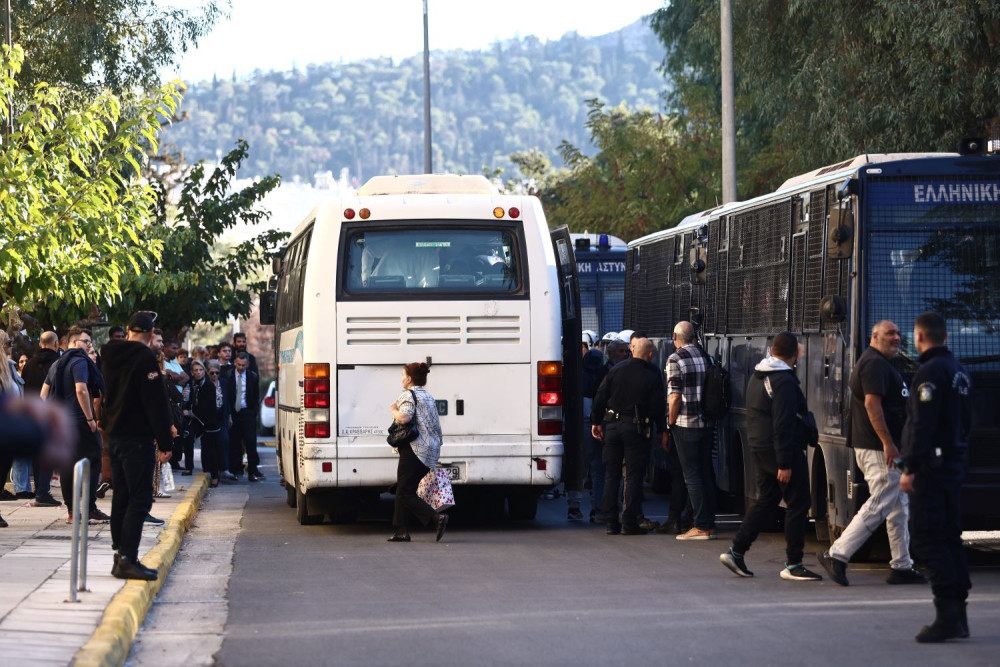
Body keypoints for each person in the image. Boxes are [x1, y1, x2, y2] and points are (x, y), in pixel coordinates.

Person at [818, 320, 926, 586]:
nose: (897, 338)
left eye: (899, 333)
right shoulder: (874, 364)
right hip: (879, 448)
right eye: (890, 333)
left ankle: (902, 565)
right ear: (874, 337)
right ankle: (837, 554)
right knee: (879, 503)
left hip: (885, 447)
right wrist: (888, 443)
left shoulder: (881, 363)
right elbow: (872, 406)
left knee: (898, 508)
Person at [720, 331, 822, 581]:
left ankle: (737, 551)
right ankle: (794, 563)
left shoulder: (759, 375)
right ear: (793, 353)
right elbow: (783, 423)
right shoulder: (784, 381)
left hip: (760, 447)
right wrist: (784, 462)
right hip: (780, 451)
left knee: (767, 500)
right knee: (799, 504)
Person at [899, 312, 972, 643]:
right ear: (946, 335)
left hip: (930, 470)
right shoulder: (959, 371)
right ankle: (959, 614)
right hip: (954, 466)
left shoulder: (928, 373)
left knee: (928, 540)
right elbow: (968, 422)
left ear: (919, 337)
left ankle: (946, 617)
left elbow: (921, 425)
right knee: (951, 539)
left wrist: (909, 467)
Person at [100, 311, 174, 580]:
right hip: (137, 439)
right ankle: (128, 559)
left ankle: (120, 554)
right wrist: (165, 441)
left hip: (116, 436)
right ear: (150, 332)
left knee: (122, 496)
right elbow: (155, 402)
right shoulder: (144, 358)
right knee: (140, 498)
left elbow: (105, 394)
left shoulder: (110, 355)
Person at [590, 337, 666, 535]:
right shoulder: (652, 372)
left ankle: (610, 522)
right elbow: (658, 405)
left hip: (612, 427)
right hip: (636, 429)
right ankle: (629, 522)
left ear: (633, 351)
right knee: (633, 475)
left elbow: (600, 396)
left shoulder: (616, 369)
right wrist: (663, 430)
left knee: (611, 474)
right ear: (649, 354)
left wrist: (596, 422)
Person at [40, 328, 109, 525]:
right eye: (86, 341)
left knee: (68, 464)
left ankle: (72, 511)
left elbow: (43, 396)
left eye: (90, 342)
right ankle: (89, 508)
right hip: (80, 421)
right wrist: (90, 418)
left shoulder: (56, 364)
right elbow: (81, 389)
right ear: (74, 341)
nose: (89, 345)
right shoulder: (79, 361)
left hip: (63, 422)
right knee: (94, 459)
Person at [666, 321, 717, 540]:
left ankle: (702, 525)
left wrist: (670, 422)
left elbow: (675, 396)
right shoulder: (708, 357)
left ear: (676, 337)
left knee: (691, 475)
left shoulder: (675, 359)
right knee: (705, 472)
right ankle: (709, 522)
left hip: (685, 424)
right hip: (707, 423)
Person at [388, 362, 449, 542]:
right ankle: (401, 531)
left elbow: (405, 417)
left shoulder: (408, 395)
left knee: (405, 492)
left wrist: (393, 410)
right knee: (403, 489)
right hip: (430, 449)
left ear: (409, 378)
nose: (401, 378)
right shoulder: (428, 396)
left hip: (414, 448)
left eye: (402, 375)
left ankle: (436, 518)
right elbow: (436, 425)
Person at [20, 331, 63, 507]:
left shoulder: (28, 365)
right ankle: (43, 492)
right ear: (56, 344)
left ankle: (40, 488)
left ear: (40, 344)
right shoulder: (58, 363)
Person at [185, 359, 224, 488]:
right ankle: (189, 467)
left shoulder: (208, 385)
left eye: (201, 370)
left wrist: (191, 411)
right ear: (192, 372)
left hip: (208, 422)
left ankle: (214, 476)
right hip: (195, 420)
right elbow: (187, 400)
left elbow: (206, 406)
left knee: (210, 450)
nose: (198, 372)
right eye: (196, 370)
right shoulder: (190, 384)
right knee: (188, 437)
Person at [226, 352, 263, 480]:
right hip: (234, 413)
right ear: (235, 363)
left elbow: (257, 395)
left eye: (243, 365)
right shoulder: (229, 375)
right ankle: (236, 470)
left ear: (247, 364)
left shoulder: (252, 376)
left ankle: (252, 471)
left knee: (251, 442)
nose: (241, 367)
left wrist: (254, 412)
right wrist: (229, 414)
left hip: (247, 412)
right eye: (239, 365)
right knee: (235, 443)